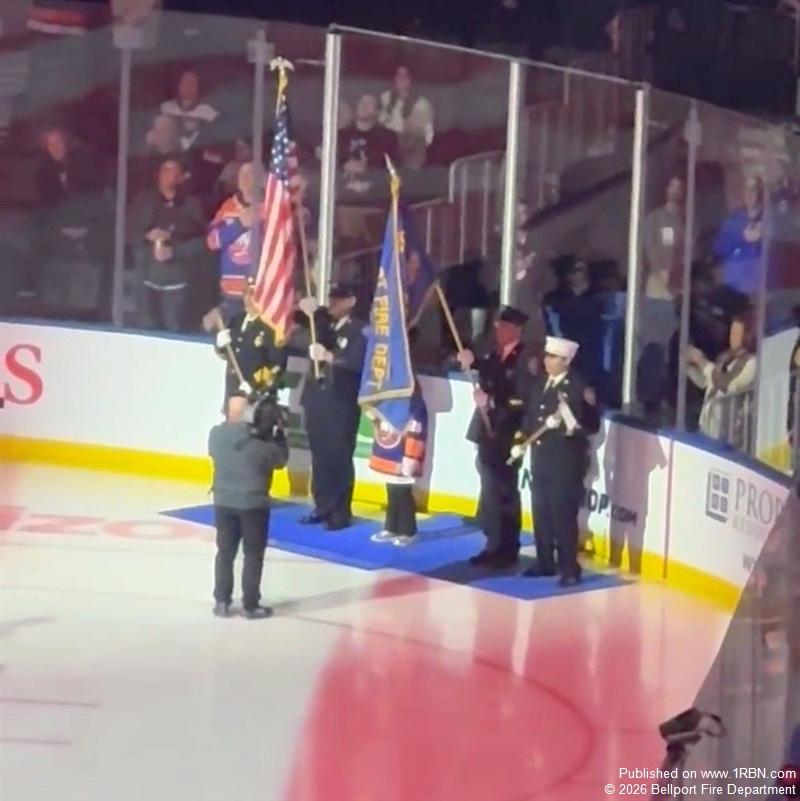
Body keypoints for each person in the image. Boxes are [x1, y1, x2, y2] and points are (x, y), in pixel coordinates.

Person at [510, 336, 601, 586]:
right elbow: (531, 416)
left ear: (566, 361)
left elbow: (591, 425)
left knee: (563, 513)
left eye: (553, 357)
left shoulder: (578, 387)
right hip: (541, 457)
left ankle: (569, 567)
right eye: (547, 356)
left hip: (565, 460)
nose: (547, 361)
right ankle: (544, 560)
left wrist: (572, 417)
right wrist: (520, 440)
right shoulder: (541, 382)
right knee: (541, 510)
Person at [456, 306, 531, 569]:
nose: (499, 332)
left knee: (504, 490)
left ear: (517, 329)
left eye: (505, 327)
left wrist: (492, 402)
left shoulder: (525, 359)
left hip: (507, 432)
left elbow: (523, 398)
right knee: (490, 488)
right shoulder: (494, 353)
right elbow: (486, 368)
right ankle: (493, 542)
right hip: (487, 431)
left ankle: (506, 547)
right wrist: (470, 360)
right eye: (498, 327)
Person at [208, 393, 289, 619]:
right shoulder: (261, 445)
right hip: (253, 505)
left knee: (225, 553)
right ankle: (250, 604)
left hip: (223, 502)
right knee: (253, 554)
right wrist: (279, 435)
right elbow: (280, 460)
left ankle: (221, 600)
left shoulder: (215, 435)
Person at [295, 285, 367, 530]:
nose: (332, 304)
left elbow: (357, 362)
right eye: (331, 299)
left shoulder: (360, 330)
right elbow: (306, 325)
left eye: (338, 299)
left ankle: (339, 512)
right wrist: (308, 310)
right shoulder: (325, 323)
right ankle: (322, 505)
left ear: (351, 301)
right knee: (320, 455)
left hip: (340, 401)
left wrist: (329, 357)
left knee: (339, 456)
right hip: (317, 397)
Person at [368, 378, 428, 546]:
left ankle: (408, 530)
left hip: (404, 451)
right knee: (391, 490)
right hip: (390, 450)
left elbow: (417, 425)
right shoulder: (389, 392)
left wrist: (411, 455)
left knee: (403, 492)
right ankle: (391, 527)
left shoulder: (414, 401)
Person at [213, 279, 287, 405]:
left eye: (252, 294)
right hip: (232, 392)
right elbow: (228, 354)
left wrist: (254, 384)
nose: (247, 299)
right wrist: (219, 346)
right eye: (245, 293)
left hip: (257, 397)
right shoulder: (236, 320)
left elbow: (276, 366)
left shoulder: (271, 328)